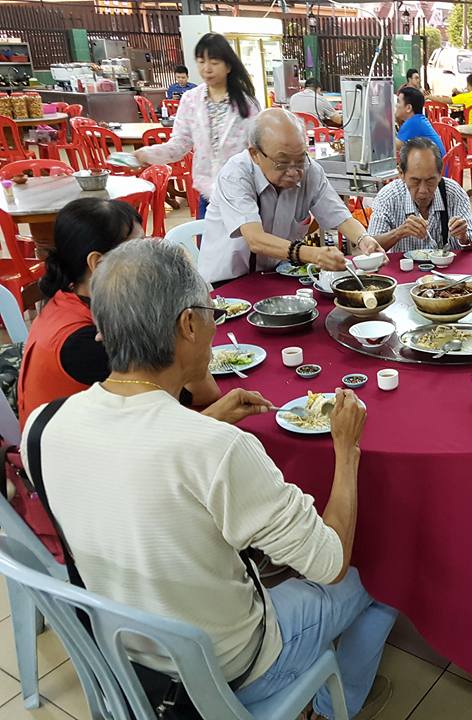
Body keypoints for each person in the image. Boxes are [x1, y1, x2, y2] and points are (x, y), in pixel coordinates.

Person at [23, 239, 398, 720]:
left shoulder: (43, 426)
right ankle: (328, 706)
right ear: (188, 324)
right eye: (211, 314)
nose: (215, 325)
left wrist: (210, 419)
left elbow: (133, 465)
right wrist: (346, 452)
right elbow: (331, 562)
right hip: (229, 668)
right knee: (384, 577)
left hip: (124, 658)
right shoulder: (217, 449)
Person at [17, 198, 220, 423]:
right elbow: (200, 394)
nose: (152, 256)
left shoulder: (69, 299)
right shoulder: (86, 340)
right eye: (138, 247)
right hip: (75, 443)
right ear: (98, 263)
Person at [199, 108, 385, 284]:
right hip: (227, 281)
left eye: (300, 159)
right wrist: (314, 254)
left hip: (275, 275)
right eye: (282, 162)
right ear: (255, 154)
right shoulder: (236, 175)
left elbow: (339, 215)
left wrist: (364, 239)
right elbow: (255, 239)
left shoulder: (310, 170)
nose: (294, 172)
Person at [135, 33, 260, 220]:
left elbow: (257, 150)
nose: (206, 69)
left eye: (214, 62)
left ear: (228, 66)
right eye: (201, 62)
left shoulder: (247, 103)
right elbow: (180, 144)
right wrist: (147, 154)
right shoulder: (191, 100)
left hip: (241, 192)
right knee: (206, 238)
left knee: (243, 239)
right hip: (207, 193)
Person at [367, 138, 472, 253]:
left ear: (440, 173)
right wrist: (398, 233)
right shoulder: (388, 197)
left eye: (430, 181)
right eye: (415, 181)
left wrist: (464, 238)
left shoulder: (453, 193)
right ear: (401, 173)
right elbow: (369, 246)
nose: (423, 190)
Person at [394, 87, 444, 154]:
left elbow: (396, 146)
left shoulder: (412, 123)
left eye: (398, 102)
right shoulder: (419, 120)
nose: (396, 105)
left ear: (408, 108)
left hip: (434, 160)